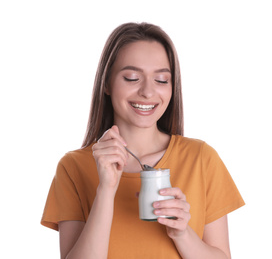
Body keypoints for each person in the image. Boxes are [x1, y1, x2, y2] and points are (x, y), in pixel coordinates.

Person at [41, 22, 245, 259]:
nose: (148, 92)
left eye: (161, 80)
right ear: (106, 83)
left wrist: (182, 234)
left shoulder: (201, 158)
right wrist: (106, 190)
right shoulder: (73, 167)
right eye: (132, 78)